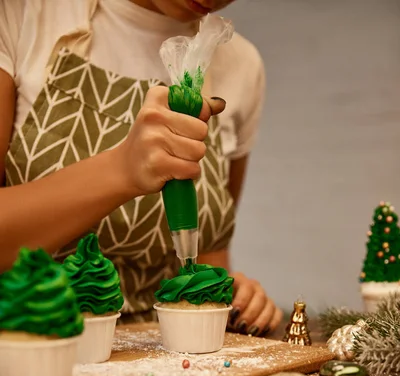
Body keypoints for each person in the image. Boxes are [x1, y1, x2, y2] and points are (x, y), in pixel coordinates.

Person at [0, 0, 283, 336]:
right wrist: (121, 170)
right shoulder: (22, 13)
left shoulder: (239, 62)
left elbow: (206, 254)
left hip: (166, 361)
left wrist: (227, 294)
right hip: (25, 346)